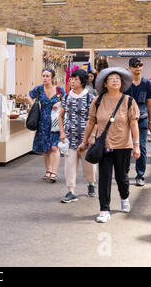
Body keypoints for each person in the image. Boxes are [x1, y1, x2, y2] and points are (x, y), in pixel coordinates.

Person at [78, 67, 140, 223]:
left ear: (122, 82)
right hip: (103, 145)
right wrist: (84, 141)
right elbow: (91, 122)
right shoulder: (98, 100)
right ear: (105, 83)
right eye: (111, 79)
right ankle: (104, 210)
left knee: (122, 177)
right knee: (104, 178)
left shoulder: (128, 101)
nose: (115, 81)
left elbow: (134, 125)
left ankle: (124, 197)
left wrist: (137, 145)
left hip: (123, 145)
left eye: (117, 79)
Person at [58, 69, 96, 203]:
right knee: (69, 164)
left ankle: (91, 183)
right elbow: (60, 116)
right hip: (70, 136)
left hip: (86, 138)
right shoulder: (67, 96)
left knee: (88, 165)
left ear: (82, 81)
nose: (72, 81)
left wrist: (92, 135)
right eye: (71, 79)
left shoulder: (90, 97)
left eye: (75, 79)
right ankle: (71, 191)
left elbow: (94, 118)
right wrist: (62, 132)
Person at [27, 68, 65, 183]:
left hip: (56, 121)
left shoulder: (59, 90)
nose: (45, 78)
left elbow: (67, 100)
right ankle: (48, 170)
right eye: (43, 76)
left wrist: (59, 103)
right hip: (42, 122)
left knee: (54, 147)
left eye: (47, 76)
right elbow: (28, 95)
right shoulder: (38, 89)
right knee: (45, 149)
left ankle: (54, 172)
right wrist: (34, 105)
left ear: (52, 78)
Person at [125, 57, 151, 187]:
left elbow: (149, 103)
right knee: (125, 147)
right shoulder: (125, 84)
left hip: (142, 119)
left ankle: (140, 175)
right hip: (125, 120)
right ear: (130, 68)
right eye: (134, 65)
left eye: (139, 65)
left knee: (141, 147)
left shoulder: (147, 84)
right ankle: (124, 173)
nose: (137, 67)